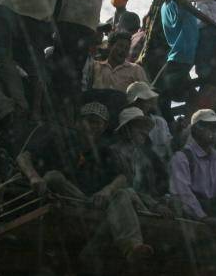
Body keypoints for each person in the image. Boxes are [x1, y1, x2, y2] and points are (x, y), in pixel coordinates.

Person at [16, 102, 153, 263]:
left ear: (104, 127)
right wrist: (34, 177)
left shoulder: (104, 152)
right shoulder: (60, 140)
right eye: (89, 121)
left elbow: (122, 178)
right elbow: (23, 157)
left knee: (122, 193)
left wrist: (107, 190)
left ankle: (132, 247)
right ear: (78, 123)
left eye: (98, 123)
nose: (93, 127)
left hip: (90, 202)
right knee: (53, 176)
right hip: (63, 197)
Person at [109, 107, 173, 217]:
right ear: (126, 128)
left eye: (146, 128)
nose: (145, 132)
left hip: (145, 204)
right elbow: (125, 188)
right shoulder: (112, 152)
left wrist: (161, 200)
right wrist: (154, 205)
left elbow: (150, 190)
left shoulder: (144, 157)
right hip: (123, 206)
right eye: (139, 127)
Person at [157, 0, 199, 122]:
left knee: (158, 92)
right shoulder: (163, 7)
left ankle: (172, 126)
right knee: (166, 91)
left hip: (184, 52)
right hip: (175, 54)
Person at [125, 81, 172, 162]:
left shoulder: (159, 122)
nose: (146, 104)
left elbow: (170, 147)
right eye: (141, 100)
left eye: (147, 100)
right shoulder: (127, 124)